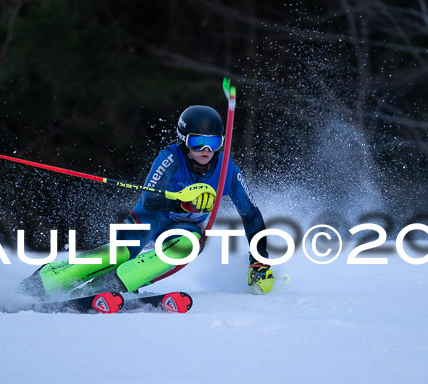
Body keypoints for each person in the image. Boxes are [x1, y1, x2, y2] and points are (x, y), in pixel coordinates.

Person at [21, 105, 274, 299]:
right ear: (183, 139)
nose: (206, 150)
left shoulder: (228, 171)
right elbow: (149, 199)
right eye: (198, 141)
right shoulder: (170, 158)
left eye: (214, 142)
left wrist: (259, 261)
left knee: (185, 247)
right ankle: (47, 280)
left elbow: (251, 215)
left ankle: (109, 287)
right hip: (150, 218)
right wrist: (179, 202)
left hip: (184, 228)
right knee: (121, 252)